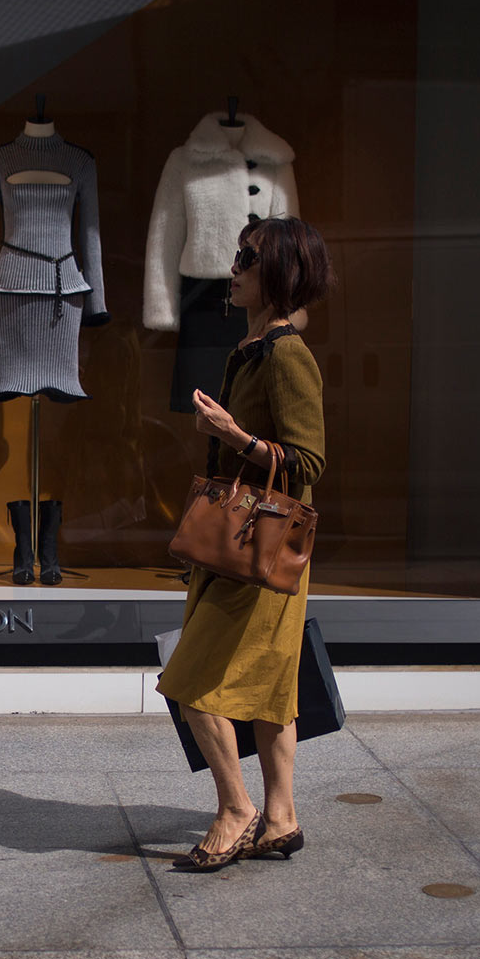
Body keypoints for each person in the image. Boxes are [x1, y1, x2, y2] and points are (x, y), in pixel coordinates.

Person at [155, 216, 332, 873]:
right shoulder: (256, 347)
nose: (233, 268)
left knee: (192, 682)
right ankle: (280, 818)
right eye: (237, 256)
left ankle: (236, 809)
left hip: (262, 550)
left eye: (246, 258)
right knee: (268, 687)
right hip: (250, 546)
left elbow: (309, 462)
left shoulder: (288, 357)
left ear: (278, 275)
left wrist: (234, 437)